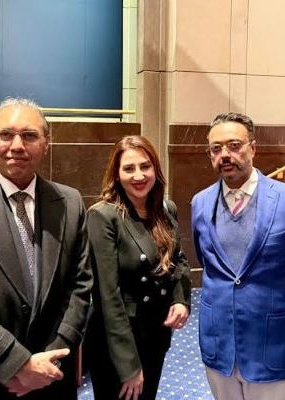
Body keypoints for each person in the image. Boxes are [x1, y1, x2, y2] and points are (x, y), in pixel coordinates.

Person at [0, 98, 93, 399]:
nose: (17, 145)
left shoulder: (70, 203)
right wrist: (18, 364)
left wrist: (49, 361)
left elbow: (80, 286)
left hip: (50, 377)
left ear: (46, 142)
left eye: (30, 135)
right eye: (6, 134)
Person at [191, 112, 285, 400]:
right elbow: (207, 263)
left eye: (234, 145)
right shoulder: (199, 203)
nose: (225, 155)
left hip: (273, 341)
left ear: (252, 148)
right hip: (219, 342)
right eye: (216, 149)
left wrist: (275, 298)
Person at [84, 135, 191, 400]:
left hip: (155, 333)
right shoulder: (103, 216)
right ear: (116, 174)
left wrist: (180, 299)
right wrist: (128, 365)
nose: (138, 175)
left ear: (156, 168)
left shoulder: (166, 209)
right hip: (117, 342)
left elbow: (178, 259)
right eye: (129, 168)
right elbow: (107, 296)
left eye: (145, 166)